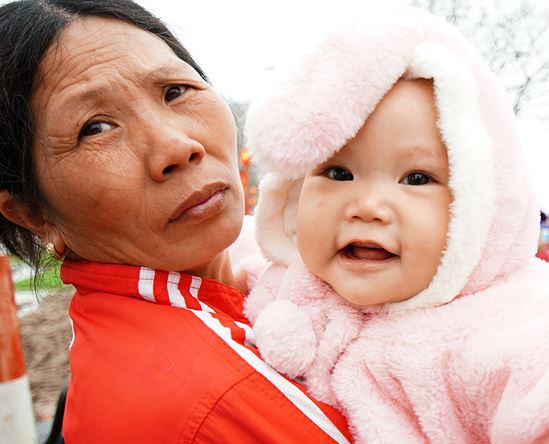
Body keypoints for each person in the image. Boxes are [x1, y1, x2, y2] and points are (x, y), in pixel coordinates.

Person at [243, 9, 549, 443]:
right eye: (338, 173)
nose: (367, 207)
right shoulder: (282, 282)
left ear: (481, 205)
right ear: (293, 193)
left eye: (416, 178)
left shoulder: (512, 326)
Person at [0, 1, 351, 442]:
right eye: (95, 128)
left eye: (175, 91)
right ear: (32, 213)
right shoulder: (213, 397)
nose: (177, 147)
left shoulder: (266, 263)